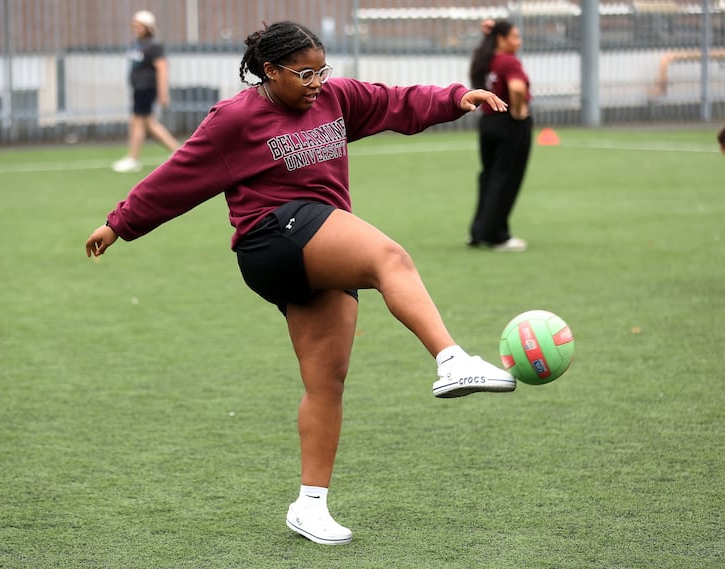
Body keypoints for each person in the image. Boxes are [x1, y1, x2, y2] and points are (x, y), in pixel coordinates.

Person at [86, 20, 516, 546]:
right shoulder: (234, 119)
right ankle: (452, 360)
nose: (316, 82)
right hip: (270, 237)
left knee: (326, 381)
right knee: (390, 258)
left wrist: (456, 98)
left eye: (322, 70)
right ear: (270, 71)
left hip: (314, 247)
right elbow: (179, 176)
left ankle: (310, 505)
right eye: (304, 73)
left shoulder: (335, 98)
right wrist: (119, 224)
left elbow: (394, 102)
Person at [467, 19, 532, 252]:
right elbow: (516, 88)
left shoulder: (485, 60)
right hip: (509, 124)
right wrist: (517, 111)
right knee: (507, 178)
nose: (518, 41)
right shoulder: (509, 61)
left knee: (489, 177)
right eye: (514, 36)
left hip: (488, 122)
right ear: (501, 39)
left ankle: (478, 231)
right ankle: (497, 235)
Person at [112, 10, 180, 173]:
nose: (135, 27)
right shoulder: (138, 44)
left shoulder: (154, 45)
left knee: (138, 121)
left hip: (146, 88)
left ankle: (133, 158)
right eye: (134, 24)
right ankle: (179, 152)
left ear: (147, 27)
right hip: (139, 89)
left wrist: (163, 94)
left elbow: (162, 69)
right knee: (148, 123)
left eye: (139, 25)